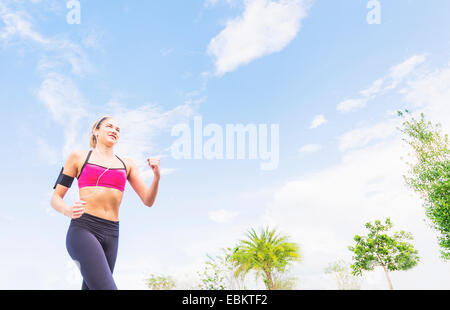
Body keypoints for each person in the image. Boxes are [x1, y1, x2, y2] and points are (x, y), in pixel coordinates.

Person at [50, 116, 160, 290]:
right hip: (84, 229)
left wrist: (157, 177)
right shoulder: (78, 157)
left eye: (118, 129)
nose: (114, 131)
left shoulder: (127, 164)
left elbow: (148, 200)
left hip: (112, 234)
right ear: (96, 131)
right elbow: (55, 198)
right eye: (109, 126)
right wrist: (67, 210)